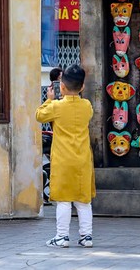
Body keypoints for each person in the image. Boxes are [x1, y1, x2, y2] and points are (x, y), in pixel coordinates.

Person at [35, 64, 95, 248]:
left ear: (61, 86)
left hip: (63, 160)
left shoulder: (56, 107)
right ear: (82, 87)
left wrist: (49, 100)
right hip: (83, 160)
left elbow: (39, 115)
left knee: (63, 200)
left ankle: (62, 236)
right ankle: (86, 237)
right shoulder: (87, 106)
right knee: (83, 200)